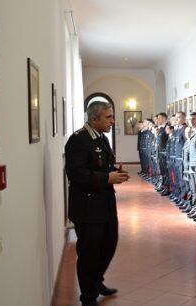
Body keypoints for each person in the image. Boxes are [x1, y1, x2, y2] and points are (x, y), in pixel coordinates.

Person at [65, 101, 129, 306]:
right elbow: (75, 173)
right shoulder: (78, 140)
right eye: (108, 117)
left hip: (105, 203)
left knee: (109, 244)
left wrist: (115, 172)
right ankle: (88, 296)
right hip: (88, 206)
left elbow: (103, 166)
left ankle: (96, 280)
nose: (113, 121)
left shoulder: (101, 137)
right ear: (94, 119)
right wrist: (105, 179)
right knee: (89, 253)